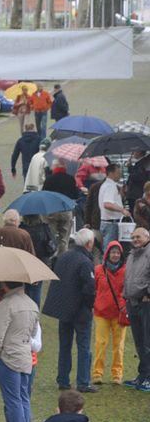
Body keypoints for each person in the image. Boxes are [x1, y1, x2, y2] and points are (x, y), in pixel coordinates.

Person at [42, 229, 98, 393]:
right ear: (89, 243)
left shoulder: (64, 256)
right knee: (83, 346)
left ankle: (63, 379)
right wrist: (90, 305)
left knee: (65, 345)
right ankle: (83, 381)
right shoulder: (85, 262)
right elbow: (90, 287)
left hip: (64, 308)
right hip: (80, 310)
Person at [0, 281, 40, 422]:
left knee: (13, 401)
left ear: (6, 283)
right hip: (25, 356)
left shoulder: (6, 304)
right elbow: (33, 333)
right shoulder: (32, 304)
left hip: (8, 356)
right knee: (23, 399)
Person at [92, 241, 128, 386]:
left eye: (118, 253)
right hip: (101, 313)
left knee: (119, 346)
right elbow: (94, 289)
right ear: (107, 254)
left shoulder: (126, 271)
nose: (115, 255)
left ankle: (117, 374)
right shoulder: (98, 270)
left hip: (119, 314)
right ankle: (97, 373)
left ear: (121, 255)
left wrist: (124, 306)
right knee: (100, 344)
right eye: (113, 252)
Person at [123, 228, 150, 391]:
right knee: (139, 342)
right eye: (133, 237)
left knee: (148, 342)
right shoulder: (132, 254)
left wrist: (148, 294)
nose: (135, 239)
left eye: (138, 237)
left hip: (146, 303)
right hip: (132, 303)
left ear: (147, 237)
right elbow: (128, 277)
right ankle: (143, 374)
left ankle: (149, 377)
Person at [42, 159, 81, 256]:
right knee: (64, 238)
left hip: (52, 211)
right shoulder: (70, 179)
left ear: (55, 167)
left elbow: (44, 195)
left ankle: (52, 255)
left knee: (51, 235)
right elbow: (75, 195)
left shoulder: (49, 179)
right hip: (66, 210)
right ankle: (62, 256)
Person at [98, 163, 129, 248]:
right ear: (111, 173)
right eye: (118, 173)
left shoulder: (107, 185)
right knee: (110, 249)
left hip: (107, 223)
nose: (120, 175)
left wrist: (122, 193)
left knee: (109, 248)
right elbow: (107, 204)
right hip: (111, 223)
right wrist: (122, 210)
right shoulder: (110, 186)